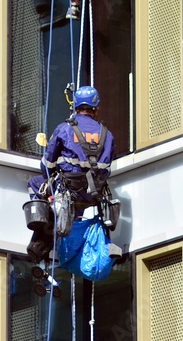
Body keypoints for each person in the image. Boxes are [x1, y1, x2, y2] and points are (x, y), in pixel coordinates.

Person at [26, 85, 114, 263]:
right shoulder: (107, 135)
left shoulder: (65, 129)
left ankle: (45, 223)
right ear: (95, 109)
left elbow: (47, 164)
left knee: (35, 183)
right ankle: (56, 231)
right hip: (91, 195)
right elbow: (106, 169)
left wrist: (51, 178)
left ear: (75, 107)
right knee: (72, 210)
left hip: (67, 190)